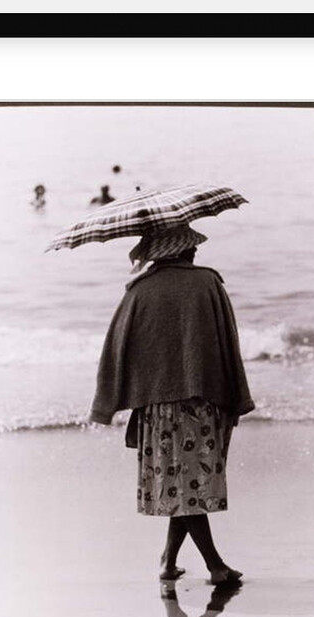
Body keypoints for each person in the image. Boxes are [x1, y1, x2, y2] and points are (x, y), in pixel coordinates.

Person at [87, 224, 255, 586]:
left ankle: (168, 561)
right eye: (191, 247)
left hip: (157, 409)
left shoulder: (138, 291)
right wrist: (238, 397)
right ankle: (215, 565)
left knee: (180, 486)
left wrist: (106, 405)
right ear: (183, 250)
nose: (195, 252)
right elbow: (229, 344)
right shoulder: (208, 283)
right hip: (203, 401)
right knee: (189, 486)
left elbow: (115, 350)